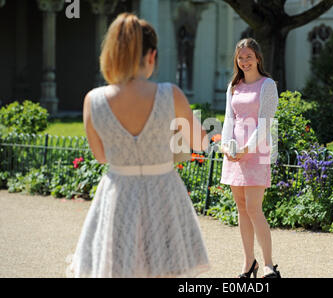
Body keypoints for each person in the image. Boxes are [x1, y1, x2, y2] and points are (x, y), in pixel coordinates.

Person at [69, 13, 210, 278]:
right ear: (151, 56)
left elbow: (100, 156)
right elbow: (200, 142)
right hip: (163, 194)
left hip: (119, 195)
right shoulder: (170, 94)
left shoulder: (93, 100)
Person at [220, 38, 281, 278]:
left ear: (257, 58)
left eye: (248, 56)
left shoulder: (268, 85)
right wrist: (227, 147)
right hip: (235, 155)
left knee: (255, 209)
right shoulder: (233, 87)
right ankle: (249, 263)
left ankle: (268, 265)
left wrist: (246, 148)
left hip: (256, 153)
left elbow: (265, 123)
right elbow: (228, 119)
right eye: (240, 57)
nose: (244, 61)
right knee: (242, 209)